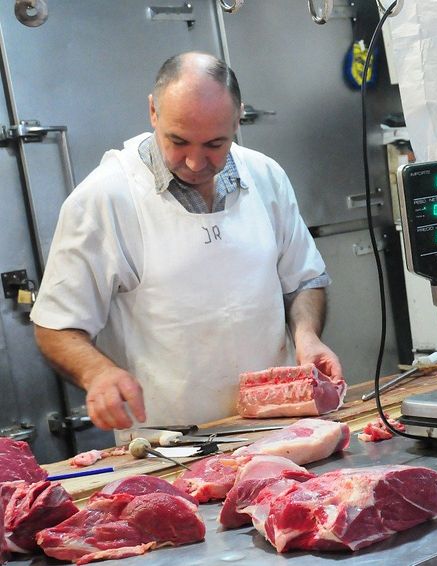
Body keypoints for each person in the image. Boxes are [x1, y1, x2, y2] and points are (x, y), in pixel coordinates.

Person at [31, 52, 342, 433]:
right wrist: (96, 373)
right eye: (178, 141)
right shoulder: (103, 199)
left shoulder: (266, 176)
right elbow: (55, 326)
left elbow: (305, 281)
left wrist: (307, 336)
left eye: (215, 144)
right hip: (168, 446)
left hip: (279, 427)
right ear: (153, 112)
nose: (195, 162)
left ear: (238, 119)